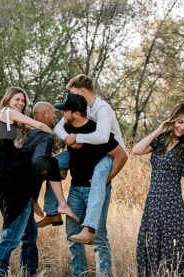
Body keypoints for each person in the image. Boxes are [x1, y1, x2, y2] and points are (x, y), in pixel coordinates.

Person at [0, 87, 78, 277]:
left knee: (29, 234)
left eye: (23, 101)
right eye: (17, 99)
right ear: (8, 99)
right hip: (6, 168)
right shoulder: (6, 112)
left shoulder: (13, 120)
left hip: (8, 169)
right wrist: (56, 135)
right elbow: (37, 124)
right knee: (10, 238)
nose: (20, 103)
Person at [54, 93, 127, 277]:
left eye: (65, 110)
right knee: (72, 233)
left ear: (75, 113)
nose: (62, 113)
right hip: (75, 189)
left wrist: (105, 180)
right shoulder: (68, 129)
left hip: (95, 190)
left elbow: (121, 156)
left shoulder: (97, 131)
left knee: (99, 235)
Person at [38, 74, 128, 232]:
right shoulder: (78, 108)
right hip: (83, 150)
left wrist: (77, 137)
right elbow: (59, 128)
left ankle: (90, 228)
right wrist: (68, 138)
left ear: (83, 91)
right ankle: (52, 212)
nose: (70, 97)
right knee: (52, 164)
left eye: (72, 93)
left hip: (108, 153)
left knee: (98, 178)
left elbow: (102, 136)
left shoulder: (102, 108)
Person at [131, 103, 184, 277]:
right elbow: (136, 150)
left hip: (172, 205)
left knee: (171, 250)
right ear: (172, 120)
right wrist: (160, 129)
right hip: (153, 204)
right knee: (150, 245)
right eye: (180, 122)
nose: (182, 127)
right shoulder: (160, 140)